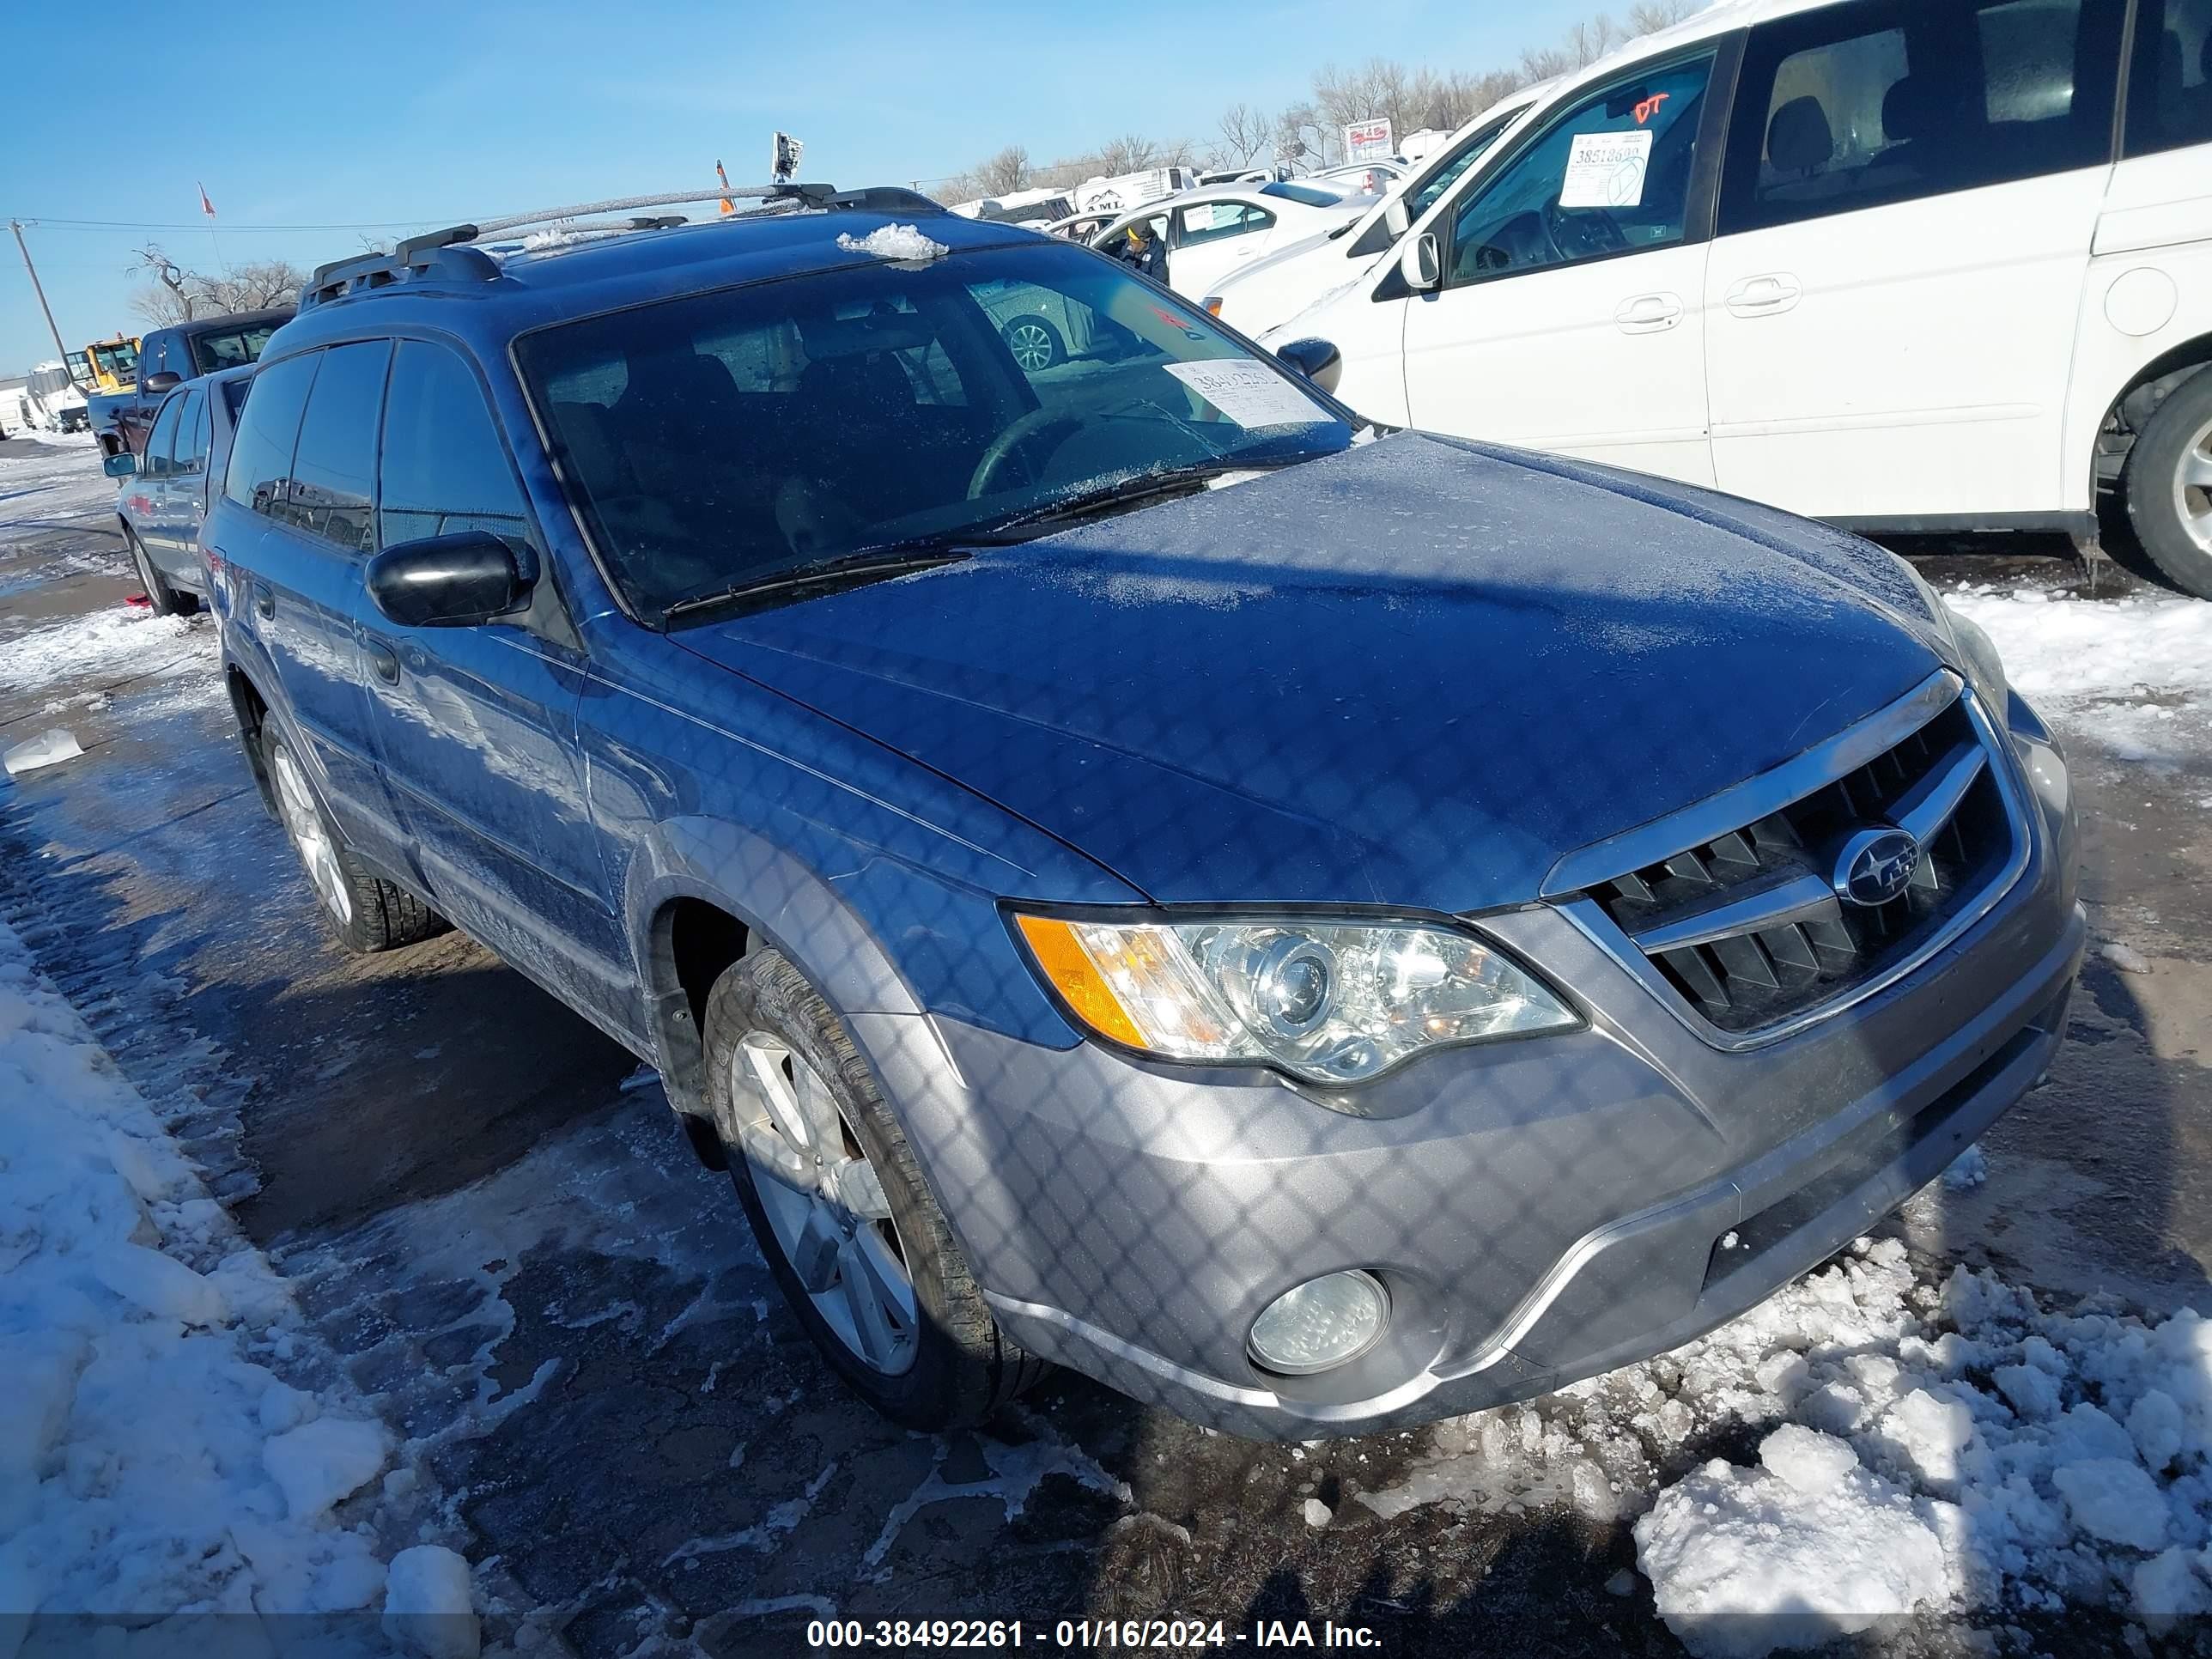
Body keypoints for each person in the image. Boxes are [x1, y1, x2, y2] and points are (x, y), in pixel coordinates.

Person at [1119, 217, 1168, 283]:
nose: (1130, 241)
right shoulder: (1129, 243)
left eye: (1133, 240)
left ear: (1143, 241)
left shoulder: (1158, 252)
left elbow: (1159, 282)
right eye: (1129, 237)